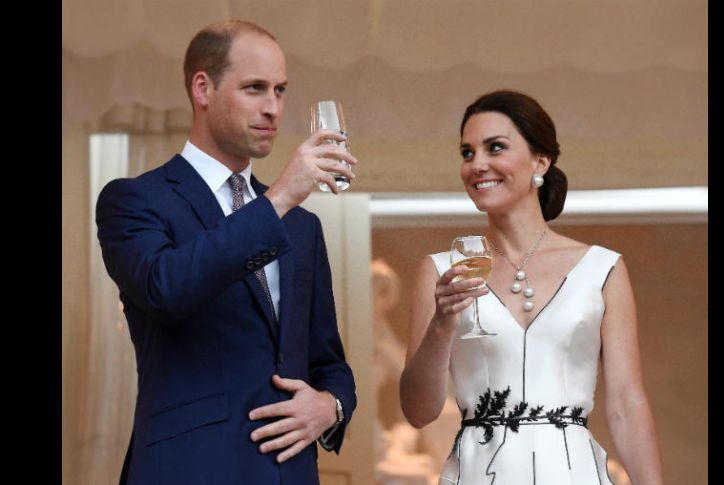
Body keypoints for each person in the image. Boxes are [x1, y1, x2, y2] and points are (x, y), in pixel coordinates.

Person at [96, 20, 357, 485]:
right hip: (189, 468)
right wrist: (276, 200)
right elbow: (165, 288)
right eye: (255, 88)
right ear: (203, 88)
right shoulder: (135, 199)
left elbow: (328, 361)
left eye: (279, 90)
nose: (273, 108)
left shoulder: (303, 226)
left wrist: (330, 406)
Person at [400, 90, 663, 484]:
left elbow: (626, 404)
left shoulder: (603, 269)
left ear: (541, 161)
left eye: (495, 148)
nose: (478, 165)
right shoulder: (441, 272)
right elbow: (418, 411)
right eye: (468, 153)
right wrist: (442, 324)